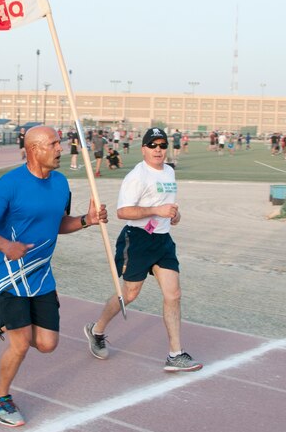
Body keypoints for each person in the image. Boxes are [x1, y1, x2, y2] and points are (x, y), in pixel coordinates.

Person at [0, 126, 108, 427]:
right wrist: (6, 245)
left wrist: (88, 220)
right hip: (10, 276)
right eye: (53, 144)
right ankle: (0, 399)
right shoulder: (8, 185)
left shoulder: (61, 184)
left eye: (59, 143)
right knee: (20, 345)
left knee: (48, 344)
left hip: (42, 278)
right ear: (34, 149)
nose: (60, 149)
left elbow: (59, 223)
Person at [84, 128, 203, 373]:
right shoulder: (137, 176)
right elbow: (123, 212)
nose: (158, 149)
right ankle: (96, 330)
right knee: (129, 294)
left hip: (162, 241)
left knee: (174, 294)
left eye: (162, 144)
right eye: (153, 145)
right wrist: (156, 211)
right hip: (136, 240)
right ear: (144, 149)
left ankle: (175, 354)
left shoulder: (169, 171)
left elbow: (167, 207)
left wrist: (174, 215)